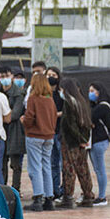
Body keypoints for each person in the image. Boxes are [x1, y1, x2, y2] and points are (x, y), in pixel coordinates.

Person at [21, 69, 57, 211]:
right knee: (46, 166)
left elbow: (29, 117)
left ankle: (37, 198)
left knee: (35, 167)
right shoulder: (50, 99)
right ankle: (49, 198)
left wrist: (24, 121)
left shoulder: (33, 98)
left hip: (34, 135)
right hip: (49, 136)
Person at [56, 78, 93, 209]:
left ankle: (68, 197)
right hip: (82, 142)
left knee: (69, 169)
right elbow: (88, 123)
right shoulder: (82, 101)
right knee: (83, 169)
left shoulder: (68, 103)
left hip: (70, 142)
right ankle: (88, 195)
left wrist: (78, 139)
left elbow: (70, 125)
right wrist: (84, 139)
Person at [88, 82, 110, 206]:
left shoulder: (102, 107)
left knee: (100, 169)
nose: (90, 93)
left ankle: (102, 196)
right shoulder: (98, 106)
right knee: (98, 169)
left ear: (99, 92)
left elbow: (89, 118)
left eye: (92, 91)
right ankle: (101, 195)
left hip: (99, 141)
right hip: (97, 141)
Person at [3, 69, 27, 193]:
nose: (4, 78)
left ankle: (15, 190)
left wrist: (4, 116)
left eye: (7, 75)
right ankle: (2, 189)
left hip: (16, 132)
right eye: (2, 76)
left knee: (16, 164)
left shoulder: (19, 93)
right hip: (1, 131)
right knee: (2, 163)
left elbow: (15, 114)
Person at [46, 67, 64, 200]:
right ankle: (54, 189)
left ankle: (64, 190)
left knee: (63, 163)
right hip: (49, 132)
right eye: (48, 74)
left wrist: (56, 114)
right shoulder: (44, 94)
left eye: (54, 75)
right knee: (53, 163)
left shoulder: (61, 93)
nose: (51, 77)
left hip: (60, 131)